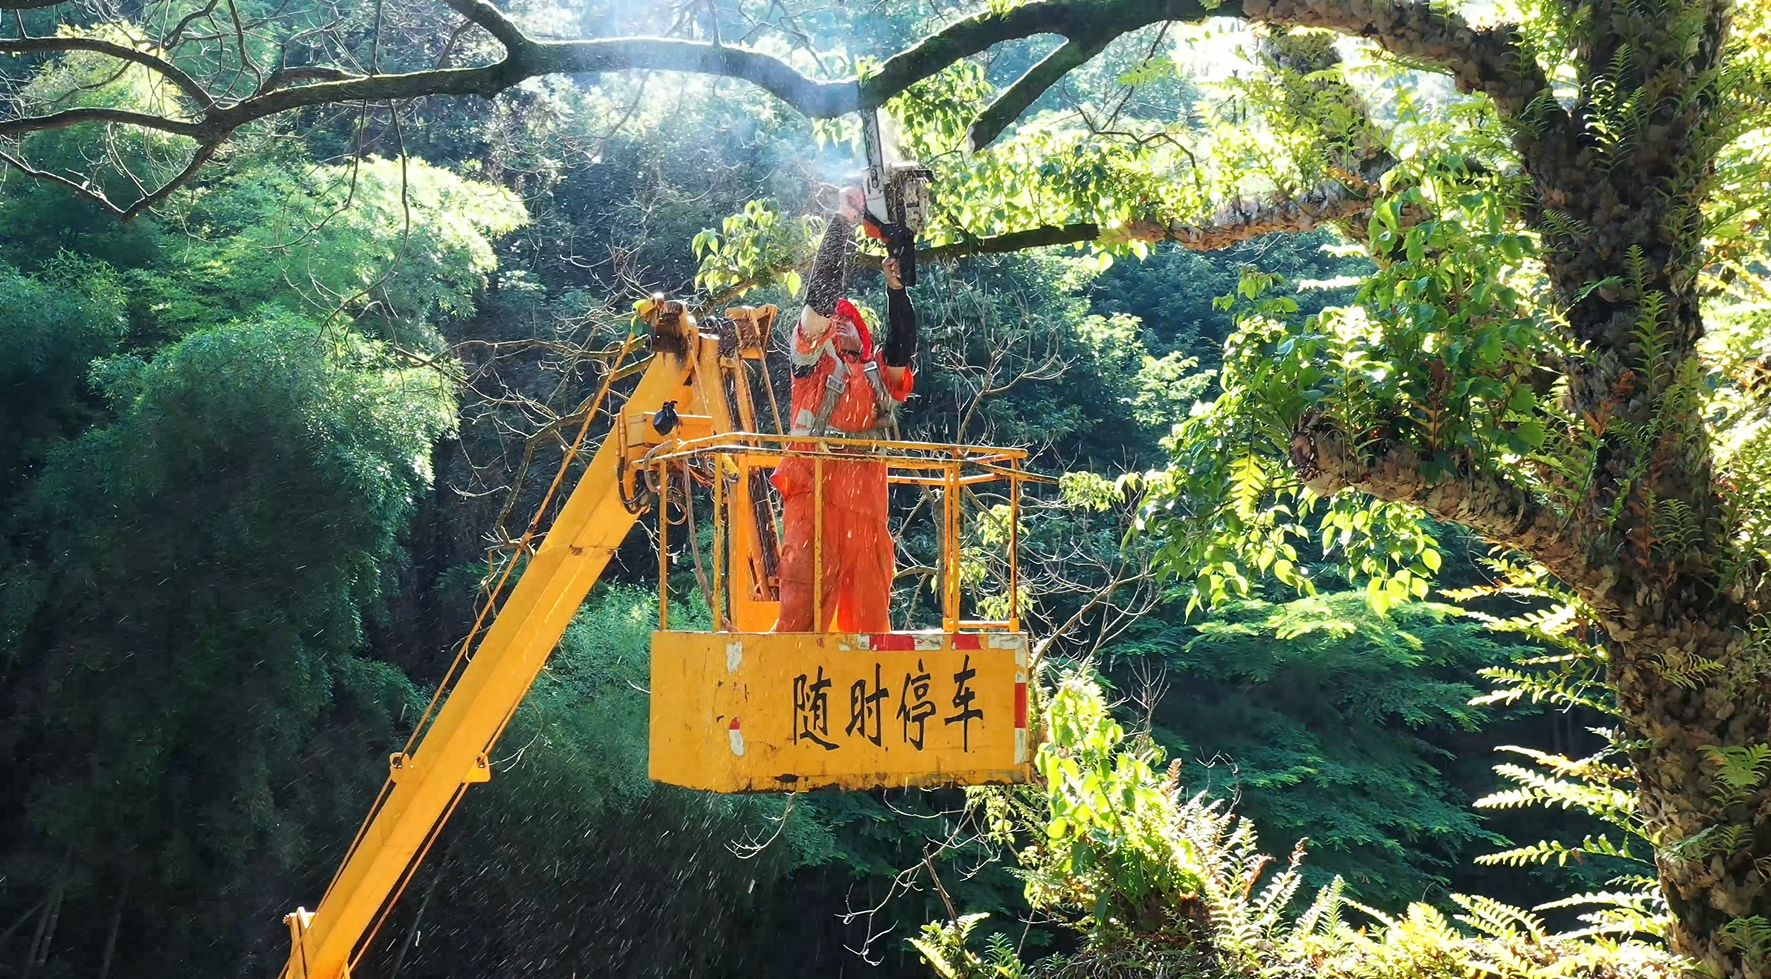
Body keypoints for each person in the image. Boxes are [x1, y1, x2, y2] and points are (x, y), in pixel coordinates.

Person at [771, 186, 918, 633]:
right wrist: (843, 225)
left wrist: (896, 290)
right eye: (836, 322)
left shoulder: (876, 376)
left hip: (866, 508)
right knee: (801, 612)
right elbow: (819, 299)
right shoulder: (811, 364)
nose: (841, 324)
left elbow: (901, 349)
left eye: (849, 321)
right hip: (812, 500)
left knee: (872, 620)